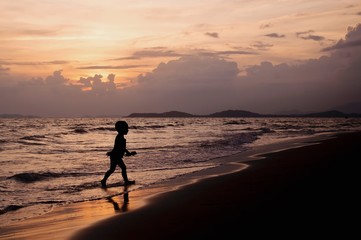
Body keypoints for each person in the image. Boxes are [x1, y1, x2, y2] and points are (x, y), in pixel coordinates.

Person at [101, 120, 136, 188]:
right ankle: (126, 181)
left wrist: (128, 153)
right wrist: (129, 153)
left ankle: (104, 180)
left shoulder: (120, 137)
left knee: (112, 169)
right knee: (122, 168)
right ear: (121, 129)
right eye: (126, 128)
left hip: (115, 155)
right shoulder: (119, 137)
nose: (127, 130)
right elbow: (121, 148)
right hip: (116, 156)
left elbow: (121, 148)